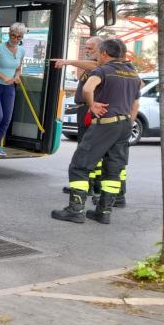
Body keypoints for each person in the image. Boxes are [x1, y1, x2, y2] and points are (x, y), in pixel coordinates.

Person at [51, 39, 140, 225]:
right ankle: (104, 212)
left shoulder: (102, 70)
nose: (96, 56)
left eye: (97, 53)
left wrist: (92, 105)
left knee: (79, 165)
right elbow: (135, 104)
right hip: (125, 125)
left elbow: (88, 88)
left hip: (105, 124)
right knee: (113, 169)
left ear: (105, 54)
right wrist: (127, 122)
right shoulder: (133, 74)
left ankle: (76, 210)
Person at [0, 23, 27, 157]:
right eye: (13, 35)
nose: (15, 39)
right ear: (9, 34)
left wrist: (17, 76)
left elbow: (18, 68)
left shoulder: (21, 50)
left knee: (7, 117)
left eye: (19, 36)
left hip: (9, 87)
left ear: (22, 37)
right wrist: (4, 77)